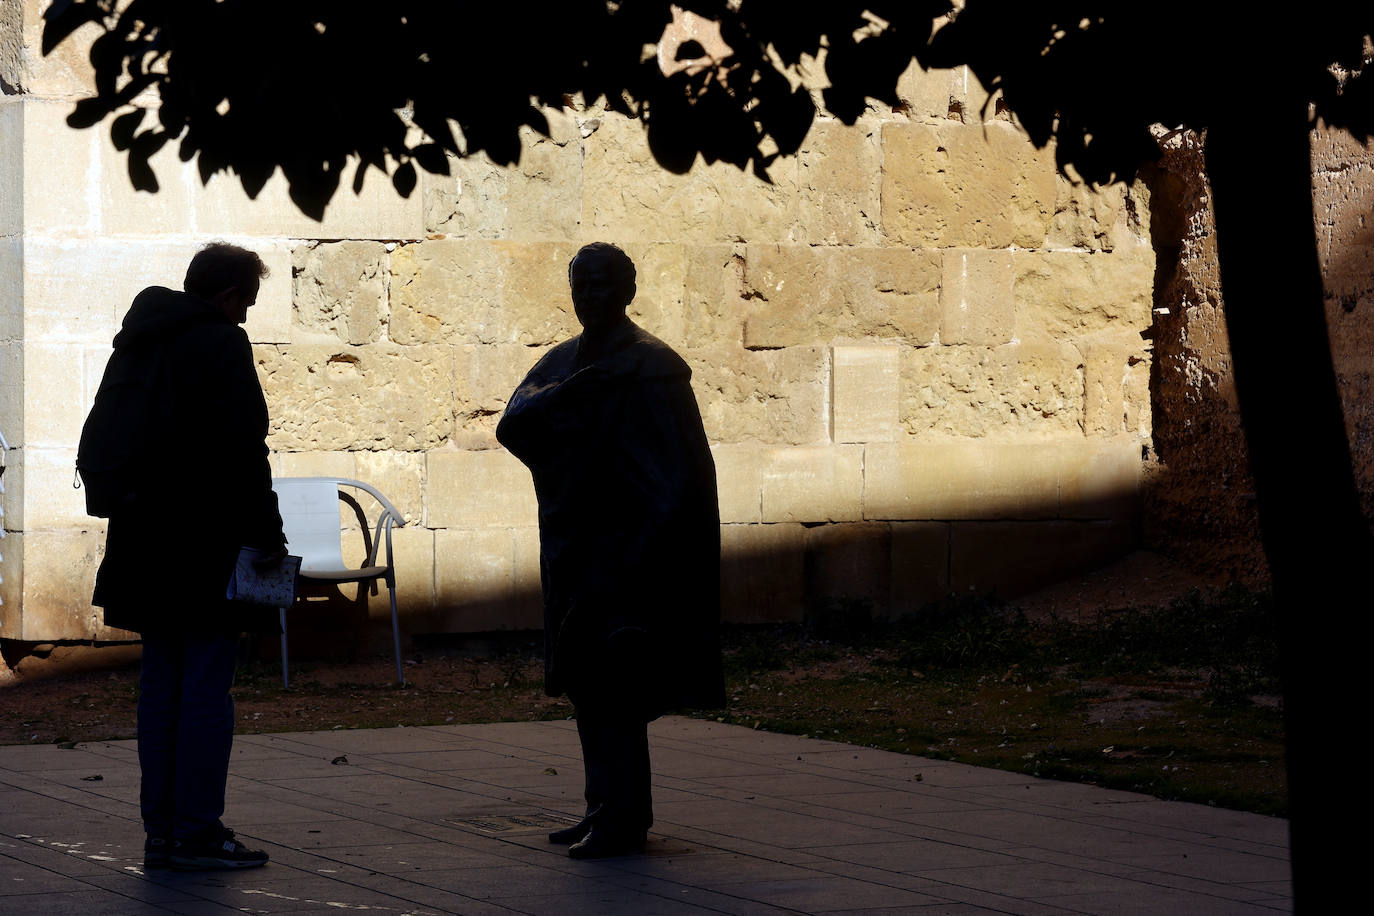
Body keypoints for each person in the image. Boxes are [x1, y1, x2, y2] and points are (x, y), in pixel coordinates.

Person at [496, 242, 725, 859]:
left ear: (627, 291)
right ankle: (602, 806)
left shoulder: (653, 366)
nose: (589, 296)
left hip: (628, 550)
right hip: (574, 544)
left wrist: (647, 549)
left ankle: (623, 820)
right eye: (581, 286)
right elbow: (513, 424)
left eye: (601, 285)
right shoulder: (563, 361)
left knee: (617, 683)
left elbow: (680, 472)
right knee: (585, 682)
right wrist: (566, 396)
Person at [92, 242, 286, 871]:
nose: (246, 315)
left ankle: (163, 834)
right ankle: (198, 831)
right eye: (246, 302)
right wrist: (269, 536)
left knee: (160, 689)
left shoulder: (140, 338)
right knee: (205, 692)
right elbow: (245, 451)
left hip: (143, 542)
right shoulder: (221, 344)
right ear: (227, 296)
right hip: (204, 545)